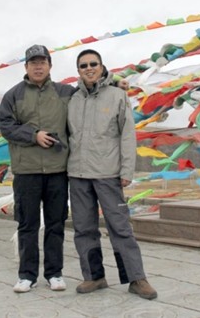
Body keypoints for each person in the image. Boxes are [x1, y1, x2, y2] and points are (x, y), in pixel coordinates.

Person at [66, 49, 158, 300]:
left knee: (120, 227)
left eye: (93, 64)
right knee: (83, 229)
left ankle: (136, 278)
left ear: (102, 66)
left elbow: (127, 134)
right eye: (83, 65)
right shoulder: (72, 99)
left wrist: (126, 170)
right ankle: (94, 276)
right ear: (78, 70)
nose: (89, 68)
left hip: (108, 174)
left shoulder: (118, 95)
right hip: (78, 174)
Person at [0, 44, 71, 293]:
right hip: (26, 171)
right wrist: (33, 135)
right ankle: (27, 275)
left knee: (55, 223)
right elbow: (5, 125)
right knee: (27, 225)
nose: (38, 67)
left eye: (42, 62)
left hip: (57, 169)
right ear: (26, 66)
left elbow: (91, 94)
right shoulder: (13, 95)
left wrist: (116, 82)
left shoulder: (65, 92)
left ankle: (54, 273)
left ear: (50, 65)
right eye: (33, 63)